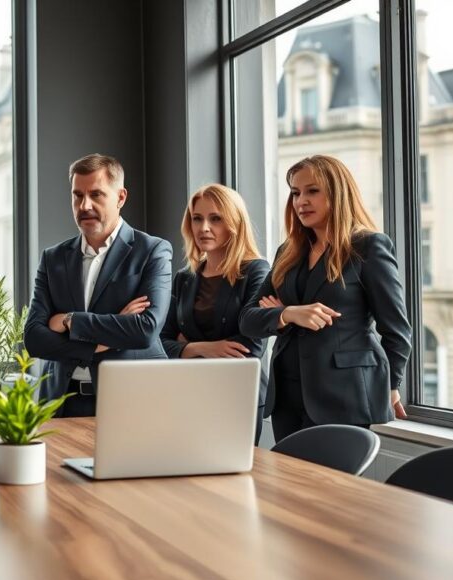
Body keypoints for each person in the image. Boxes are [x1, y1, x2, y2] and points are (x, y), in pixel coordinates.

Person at [239, 155, 411, 443]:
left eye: (312, 191)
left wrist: (391, 384)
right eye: (295, 193)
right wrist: (289, 313)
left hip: (344, 395)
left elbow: (396, 330)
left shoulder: (368, 247)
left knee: (333, 487)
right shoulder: (288, 252)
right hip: (287, 397)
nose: (301, 201)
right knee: (292, 487)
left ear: (337, 192)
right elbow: (247, 320)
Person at [23, 153, 172, 417]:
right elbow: (34, 338)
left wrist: (70, 321)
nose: (84, 206)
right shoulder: (53, 258)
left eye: (96, 194)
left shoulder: (152, 251)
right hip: (61, 403)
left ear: (121, 197)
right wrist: (103, 339)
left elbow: (145, 329)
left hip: (133, 402)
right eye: (77, 195)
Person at [160, 184, 270, 443]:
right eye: (197, 218)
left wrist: (186, 345)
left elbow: (250, 348)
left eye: (215, 218)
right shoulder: (184, 278)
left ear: (234, 223)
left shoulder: (255, 271)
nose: (204, 227)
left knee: (232, 477)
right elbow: (161, 343)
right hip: (188, 392)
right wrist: (207, 348)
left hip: (236, 394)